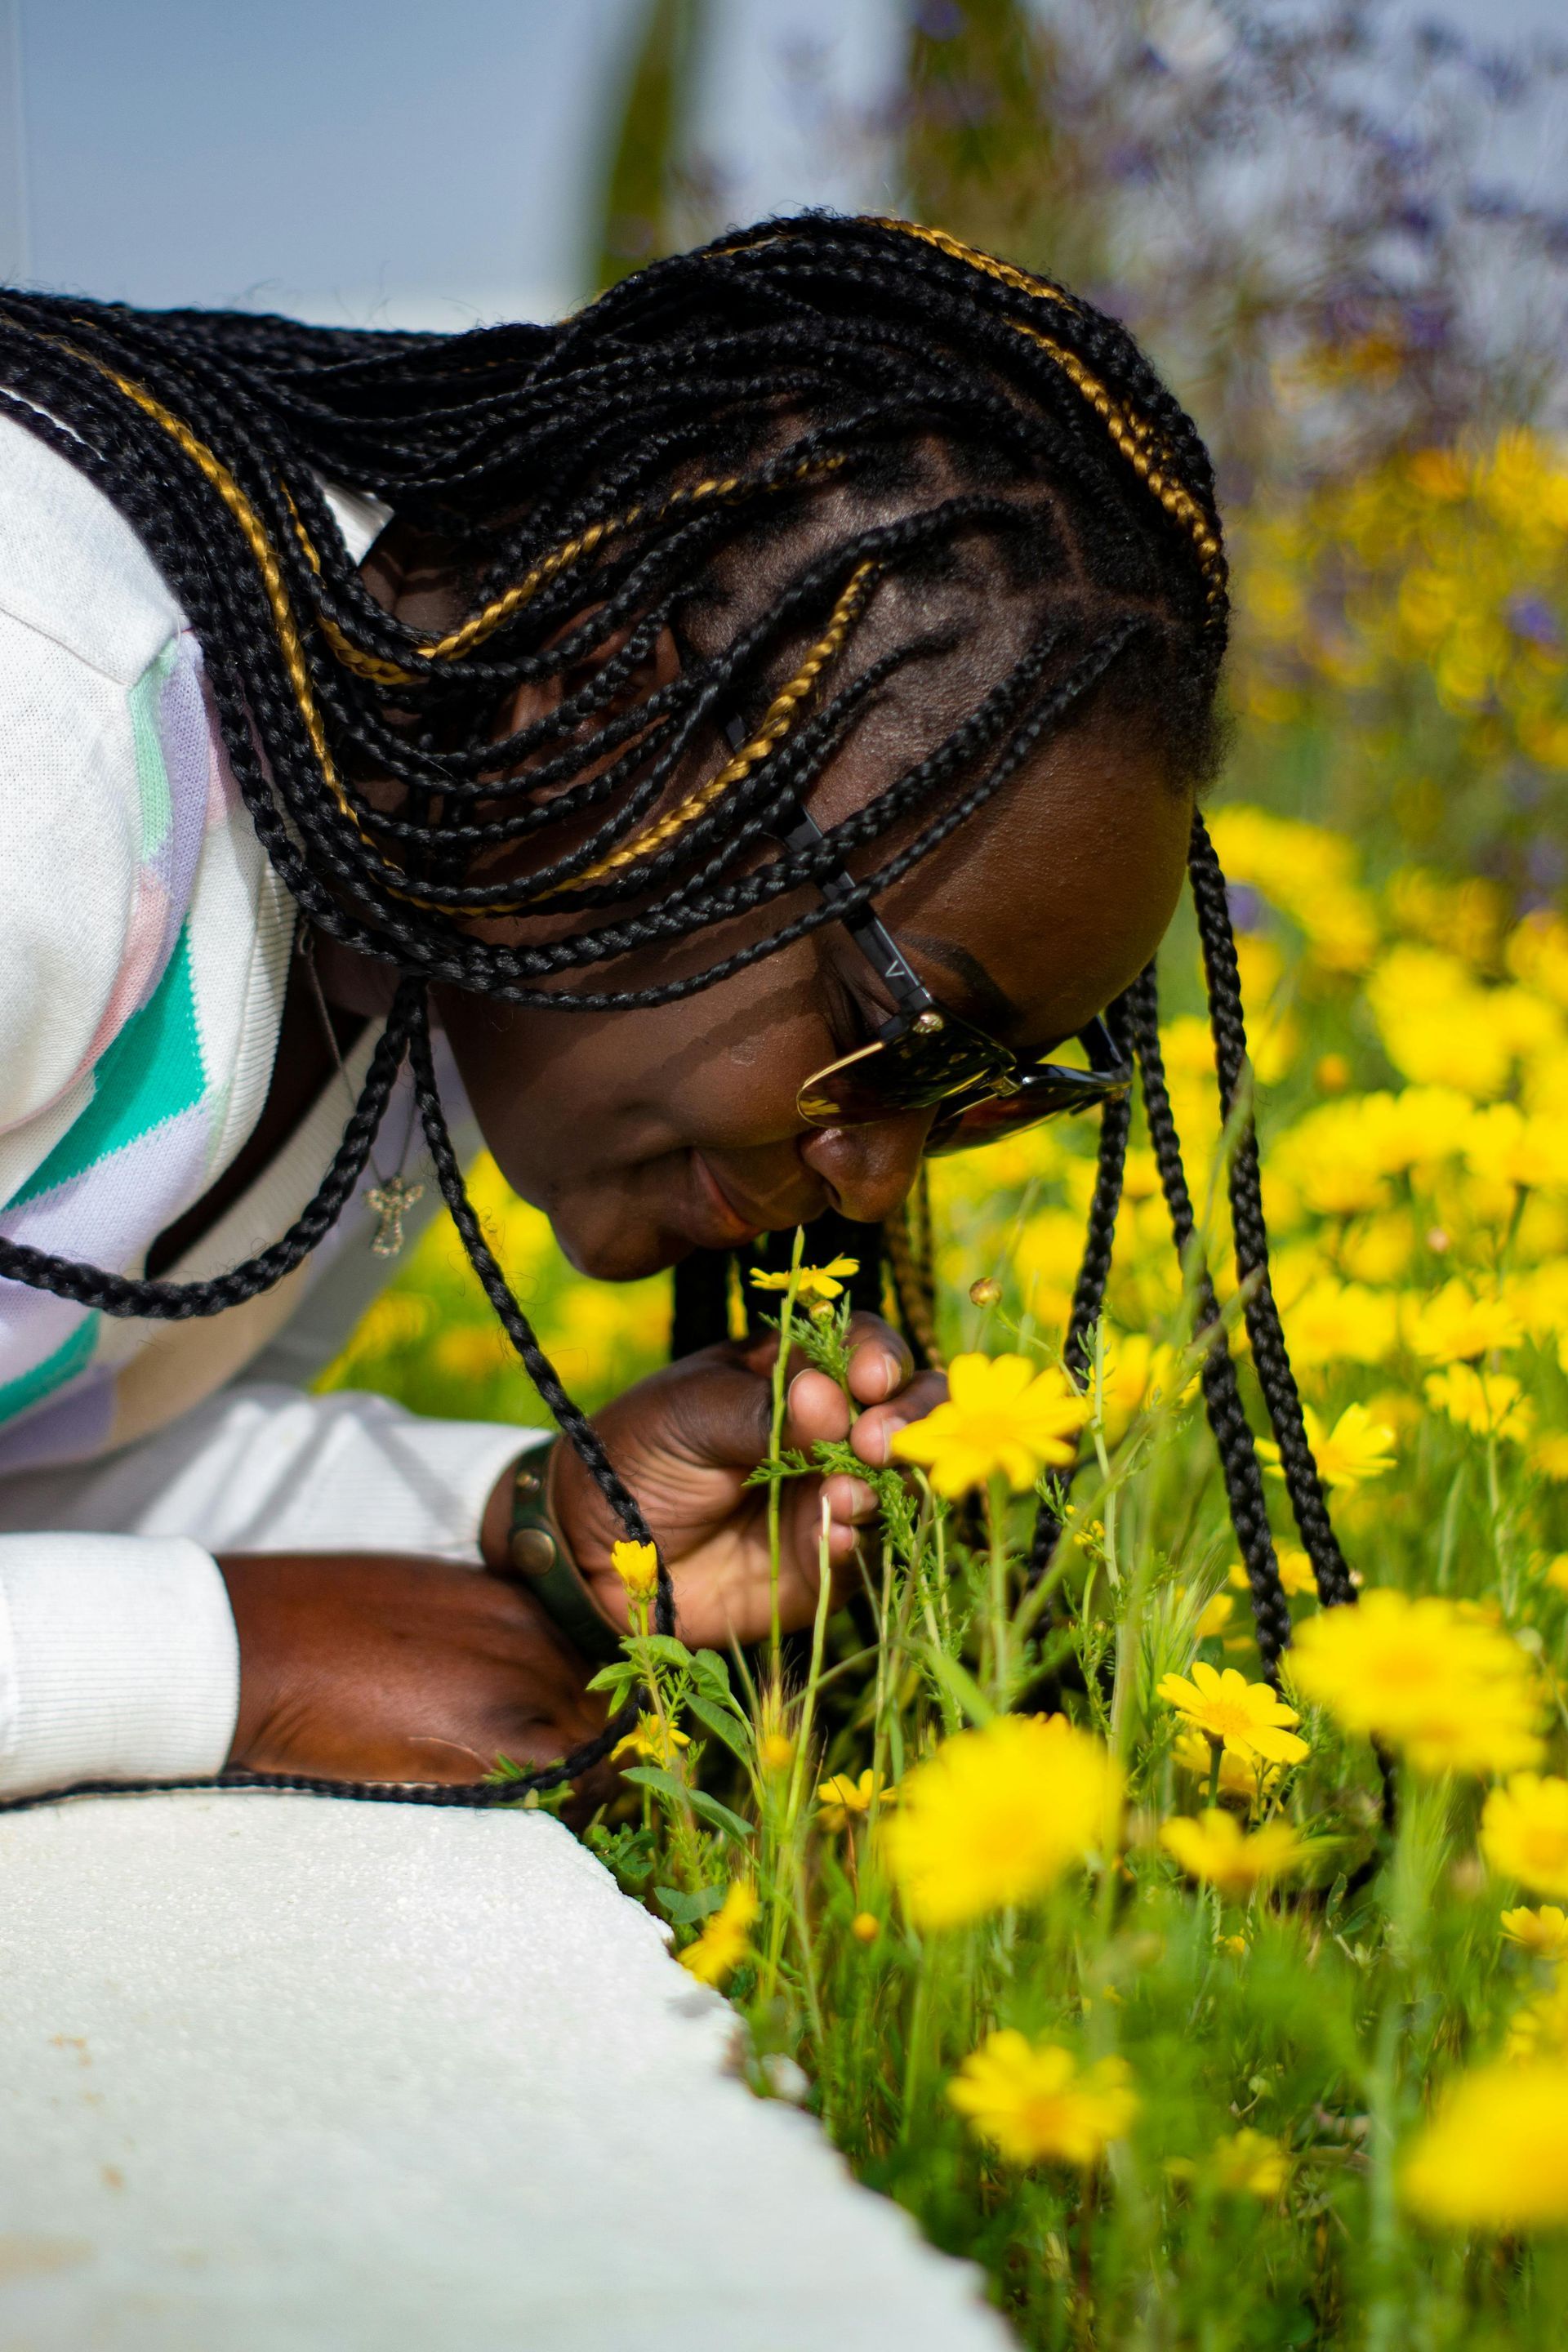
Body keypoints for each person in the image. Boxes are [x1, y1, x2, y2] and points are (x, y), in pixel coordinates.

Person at [0, 215, 1342, 1809]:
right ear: (608, 683)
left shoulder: (406, 919)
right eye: (893, 1022)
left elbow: (42, 1472)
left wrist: (526, 1519)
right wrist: (224, 1663)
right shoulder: (54, 747)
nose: (878, 1176)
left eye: (972, 1093)